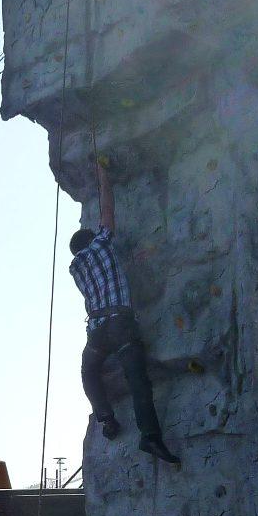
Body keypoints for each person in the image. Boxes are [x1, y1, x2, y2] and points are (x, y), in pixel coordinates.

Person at [69, 160, 180, 468]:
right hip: (120, 324)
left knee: (88, 370)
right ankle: (150, 436)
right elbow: (108, 209)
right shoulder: (102, 244)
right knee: (138, 381)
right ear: (91, 241)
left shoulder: (75, 268)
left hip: (97, 332)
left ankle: (106, 418)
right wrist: (103, 174)